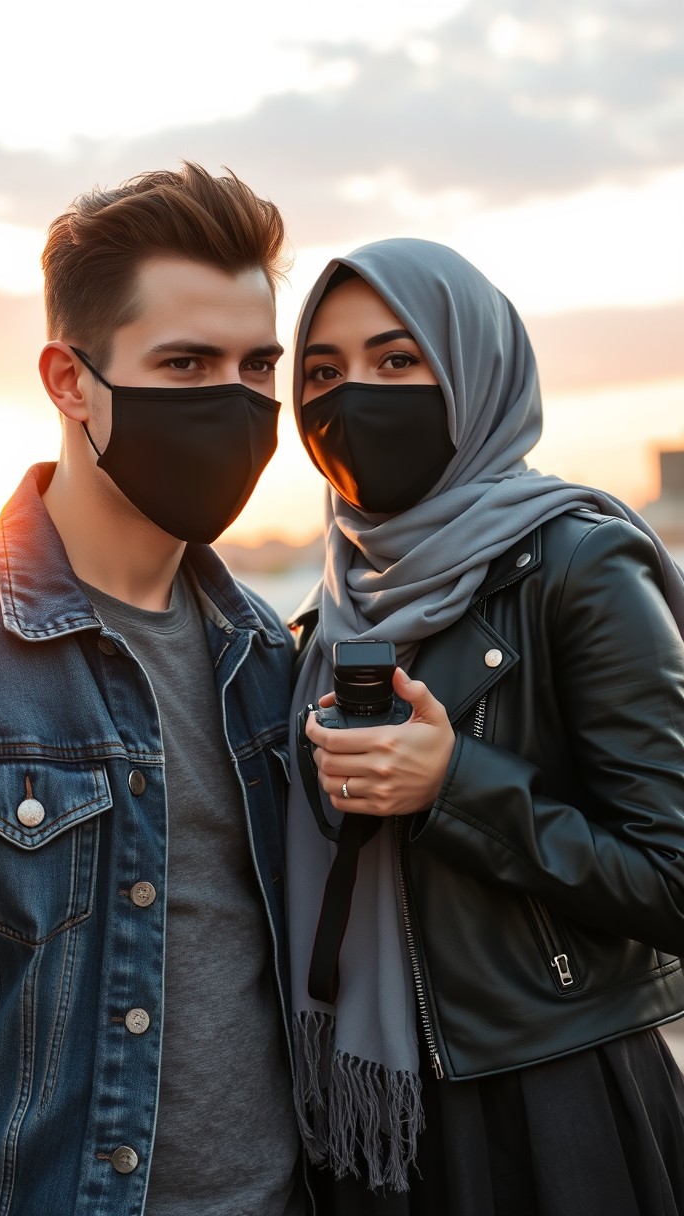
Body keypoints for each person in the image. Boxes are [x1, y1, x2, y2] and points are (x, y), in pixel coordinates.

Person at [0, 164, 307, 1216]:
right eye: (184, 362)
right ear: (69, 380)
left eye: (255, 365)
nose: (233, 400)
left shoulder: (270, 659)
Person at [286, 238, 684, 1215]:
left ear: (474, 370)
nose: (354, 397)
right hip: (363, 1126)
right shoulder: (321, 615)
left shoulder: (576, 565)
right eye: (321, 372)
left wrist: (455, 783)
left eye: (395, 360)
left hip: (547, 1102)